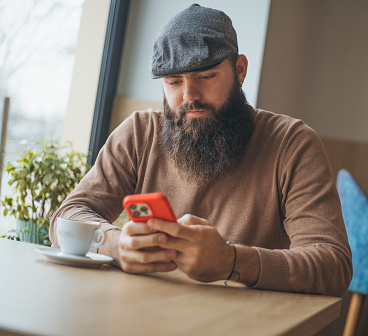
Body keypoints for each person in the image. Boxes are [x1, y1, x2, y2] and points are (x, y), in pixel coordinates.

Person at [50, 4, 352, 297]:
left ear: (240, 70)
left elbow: (333, 265)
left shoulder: (293, 144)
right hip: (143, 315)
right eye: (173, 81)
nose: (189, 95)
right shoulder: (139, 133)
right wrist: (114, 244)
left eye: (206, 76)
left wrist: (233, 262)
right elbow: (66, 217)